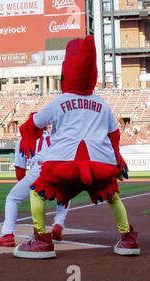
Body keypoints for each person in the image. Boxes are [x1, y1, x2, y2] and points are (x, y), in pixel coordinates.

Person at [14, 35, 140, 259]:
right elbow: (114, 134)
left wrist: (28, 134)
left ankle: (42, 240)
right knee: (113, 196)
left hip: (63, 165)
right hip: (100, 164)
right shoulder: (102, 103)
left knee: (37, 193)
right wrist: (117, 158)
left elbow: (33, 124)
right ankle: (128, 239)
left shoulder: (60, 100)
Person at [0, 130, 70, 247]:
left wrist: (30, 188)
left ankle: (7, 235)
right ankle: (59, 224)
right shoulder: (58, 134)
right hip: (61, 168)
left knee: (12, 199)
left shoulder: (23, 140)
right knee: (65, 194)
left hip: (39, 170)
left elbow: (20, 171)